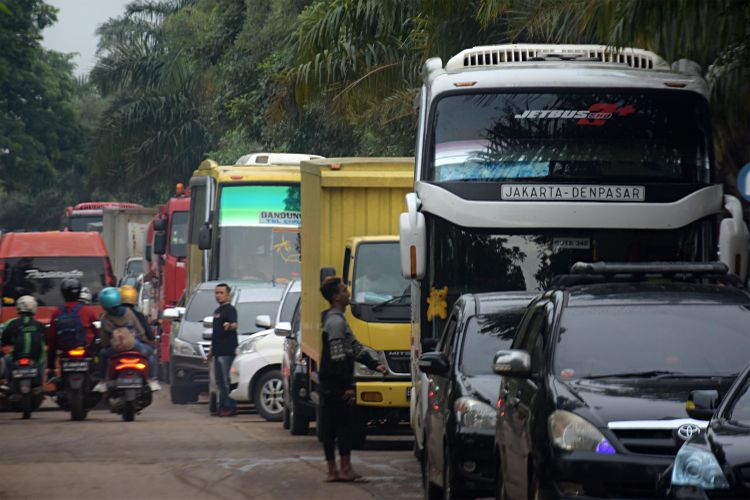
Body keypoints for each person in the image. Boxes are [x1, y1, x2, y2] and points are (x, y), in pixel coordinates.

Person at [318, 276, 387, 482]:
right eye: (344, 290)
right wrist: (346, 386)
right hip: (335, 385)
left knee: (330, 427)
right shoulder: (336, 322)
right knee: (343, 426)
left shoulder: (335, 319)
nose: (348, 293)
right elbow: (338, 357)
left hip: (329, 383)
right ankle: (343, 469)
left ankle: (334, 471)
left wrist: (375, 364)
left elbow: (355, 348)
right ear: (336, 297)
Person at [93, 287, 160, 392]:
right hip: (134, 345)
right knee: (150, 353)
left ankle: (102, 382)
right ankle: (152, 380)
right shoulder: (129, 313)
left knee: (102, 354)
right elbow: (140, 330)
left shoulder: (105, 318)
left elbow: (104, 340)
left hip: (115, 349)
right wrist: (144, 340)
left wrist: (106, 346)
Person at [47, 278, 100, 382]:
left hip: (65, 351)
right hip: (85, 350)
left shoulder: (57, 312)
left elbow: (51, 339)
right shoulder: (87, 310)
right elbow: (97, 332)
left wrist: (51, 367)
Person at [209, 283, 238, 417]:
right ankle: (222, 407)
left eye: (221, 293)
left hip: (227, 352)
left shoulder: (230, 310)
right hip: (217, 351)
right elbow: (215, 333)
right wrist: (211, 350)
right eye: (216, 293)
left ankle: (230, 407)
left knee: (227, 381)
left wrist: (229, 325)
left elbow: (234, 325)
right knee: (219, 382)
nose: (218, 295)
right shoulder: (217, 311)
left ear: (228, 295)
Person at [1, 296, 46, 382]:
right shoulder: (39, 325)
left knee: (5, 359)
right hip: (36, 361)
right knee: (43, 360)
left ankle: (7, 381)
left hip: (15, 359)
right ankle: (40, 383)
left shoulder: (11, 323)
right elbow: (46, 341)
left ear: (18, 308)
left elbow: (4, 339)